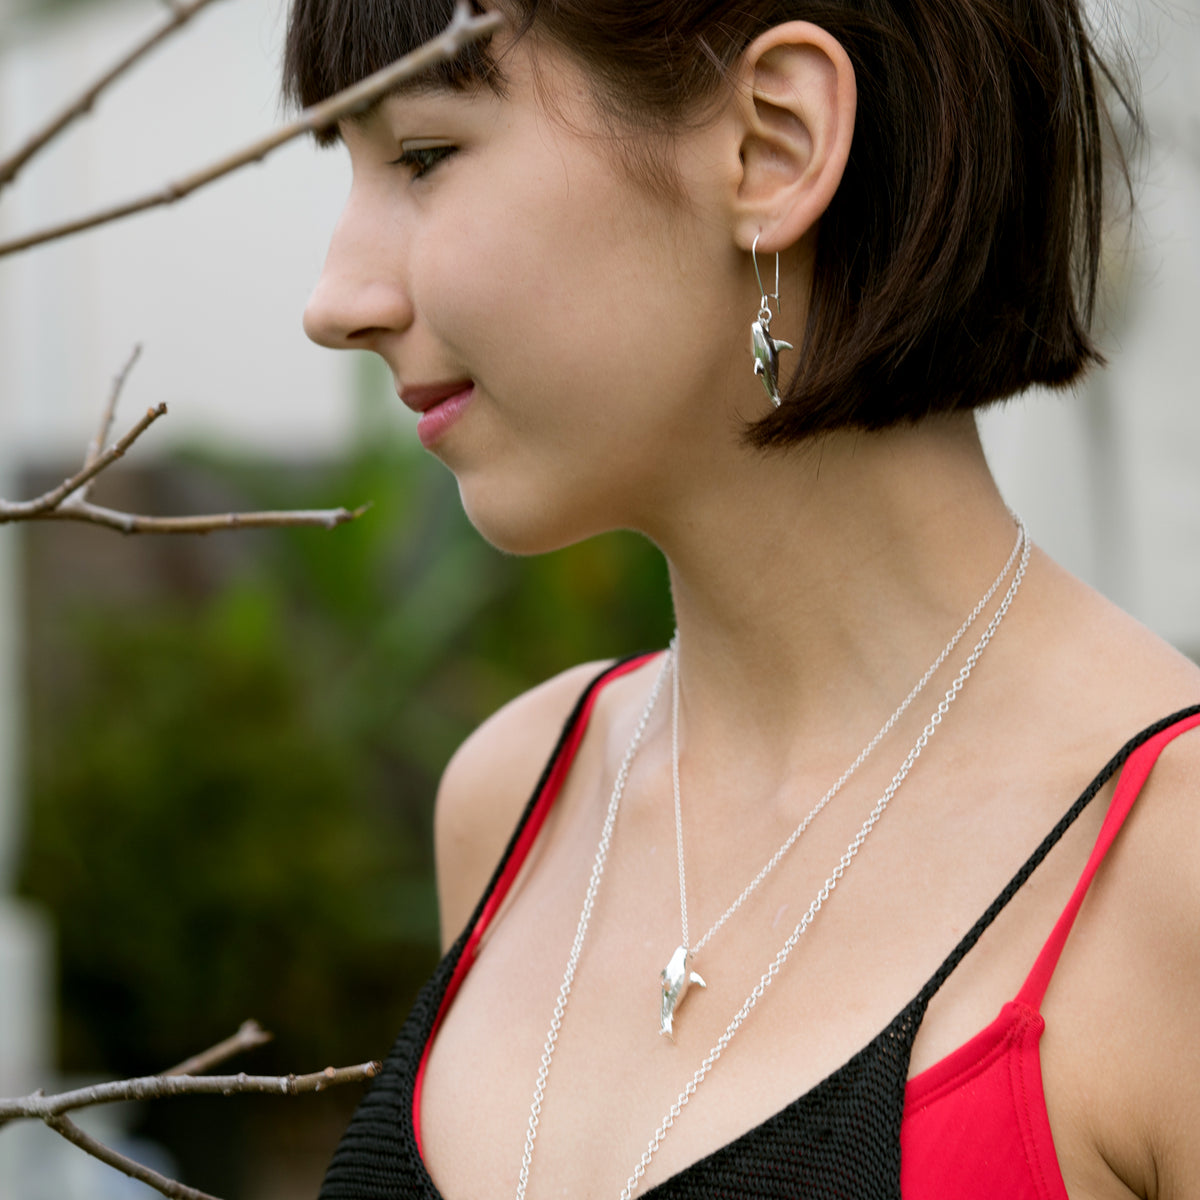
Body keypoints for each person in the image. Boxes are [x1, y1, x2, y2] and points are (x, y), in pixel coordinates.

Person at [285, 0, 1200, 1196]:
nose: (336, 299)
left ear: (775, 142)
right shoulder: (518, 802)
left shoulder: (1167, 872)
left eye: (423, 156)